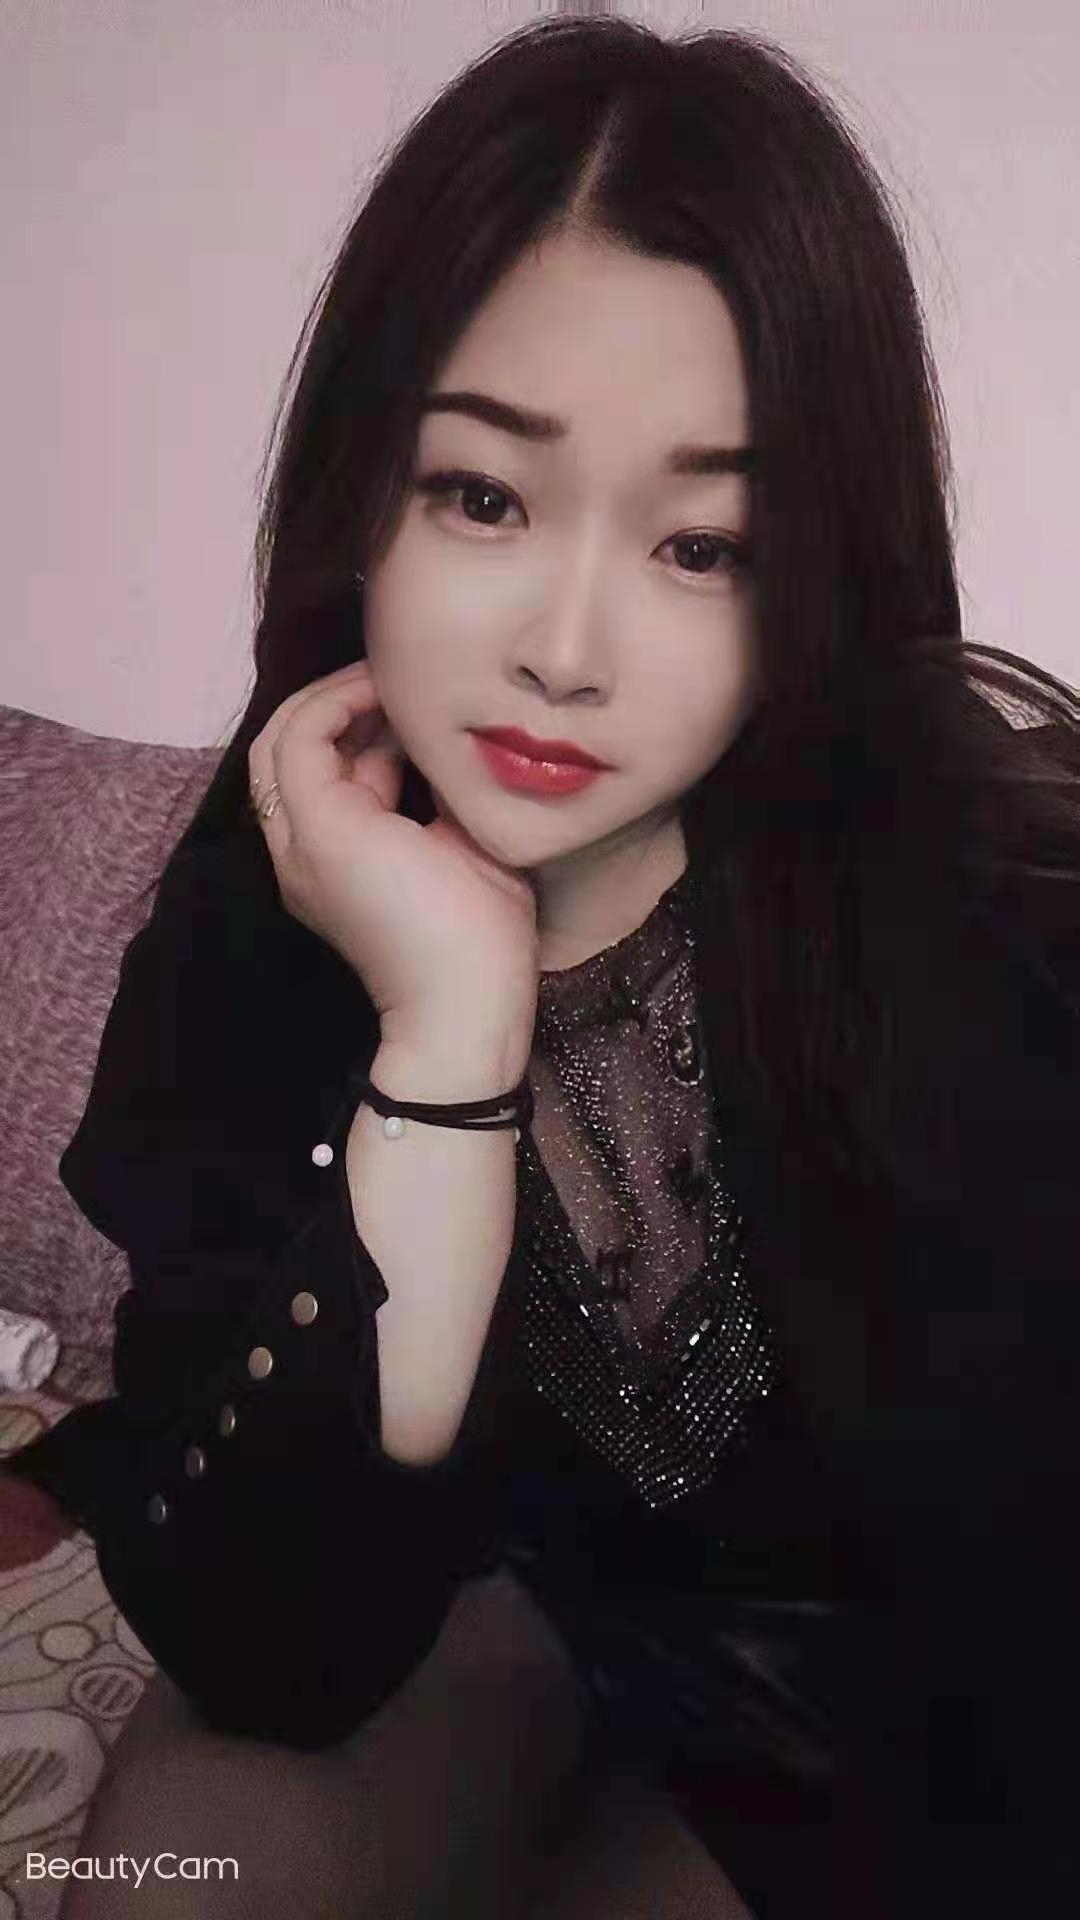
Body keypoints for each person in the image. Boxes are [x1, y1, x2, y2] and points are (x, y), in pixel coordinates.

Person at [5, 15, 1080, 1918]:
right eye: (486, 497)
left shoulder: (985, 883)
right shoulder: (276, 885)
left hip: (896, 1701)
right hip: (481, 1620)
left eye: (704, 545)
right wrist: (445, 1034)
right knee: (191, 1883)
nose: (566, 652)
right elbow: (269, 1641)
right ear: (368, 488)